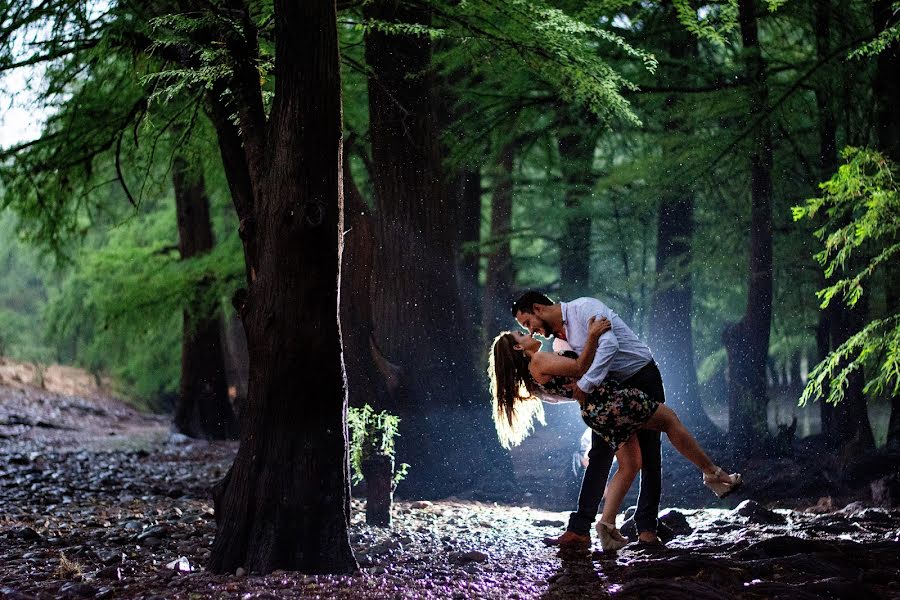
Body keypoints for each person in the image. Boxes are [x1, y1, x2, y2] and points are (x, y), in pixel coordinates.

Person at [494, 291, 741, 550]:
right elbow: (576, 374)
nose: (530, 331)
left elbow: (606, 349)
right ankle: (587, 527)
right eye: (523, 330)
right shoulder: (555, 348)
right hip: (609, 395)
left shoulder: (584, 308)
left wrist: (585, 386)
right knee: (609, 453)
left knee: (644, 457)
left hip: (639, 376)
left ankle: (642, 529)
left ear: (538, 309)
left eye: (527, 324)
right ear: (518, 348)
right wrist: (584, 387)